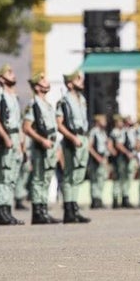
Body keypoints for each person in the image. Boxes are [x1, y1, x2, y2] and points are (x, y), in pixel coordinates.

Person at [22, 72, 62, 224]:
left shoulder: (47, 105)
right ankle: (38, 213)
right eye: (43, 80)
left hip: (51, 145)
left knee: (46, 179)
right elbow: (26, 127)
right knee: (39, 179)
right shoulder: (34, 105)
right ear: (37, 87)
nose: (47, 82)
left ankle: (43, 210)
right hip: (41, 146)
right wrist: (41, 140)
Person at [0, 64, 25, 226]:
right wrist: (5, 137)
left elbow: (18, 122)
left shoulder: (13, 96)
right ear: (2, 78)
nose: (13, 74)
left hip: (16, 137)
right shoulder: (0, 96)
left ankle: (7, 211)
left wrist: (21, 141)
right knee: (3, 176)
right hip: (7, 138)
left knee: (11, 177)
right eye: (9, 73)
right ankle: (1, 212)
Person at [56, 71, 92, 224]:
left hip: (82, 138)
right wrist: (72, 137)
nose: (81, 81)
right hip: (72, 138)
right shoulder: (64, 101)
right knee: (69, 175)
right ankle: (68, 210)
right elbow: (59, 124)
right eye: (77, 79)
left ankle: (74, 208)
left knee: (78, 176)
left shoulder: (82, 99)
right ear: (70, 84)